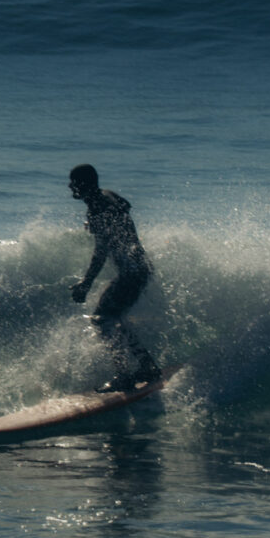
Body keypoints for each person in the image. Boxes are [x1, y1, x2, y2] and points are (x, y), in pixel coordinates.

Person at [68, 164, 161, 391]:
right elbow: (125, 207)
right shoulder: (106, 197)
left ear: (83, 184)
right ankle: (146, 365)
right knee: (112, 318)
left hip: (132, 271)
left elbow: (101, 252)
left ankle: (124, 375)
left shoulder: (99, 208)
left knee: (101, 318)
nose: (70, 187)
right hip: (138, 268)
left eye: (73, 182)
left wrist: (86, 284)